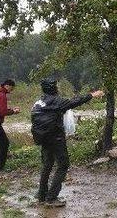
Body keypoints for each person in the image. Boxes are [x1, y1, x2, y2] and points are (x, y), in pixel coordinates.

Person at [31, 77, 104, 207]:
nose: (58, 87)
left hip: (43, 138)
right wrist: (92, 95)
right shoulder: (57, 101)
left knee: (47, 164)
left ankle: (42, 194)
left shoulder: (38, 102)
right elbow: (75, 101)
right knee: (63, 165)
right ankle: (52, 198)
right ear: (54, 88)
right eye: (56, 86)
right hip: (55, 138)